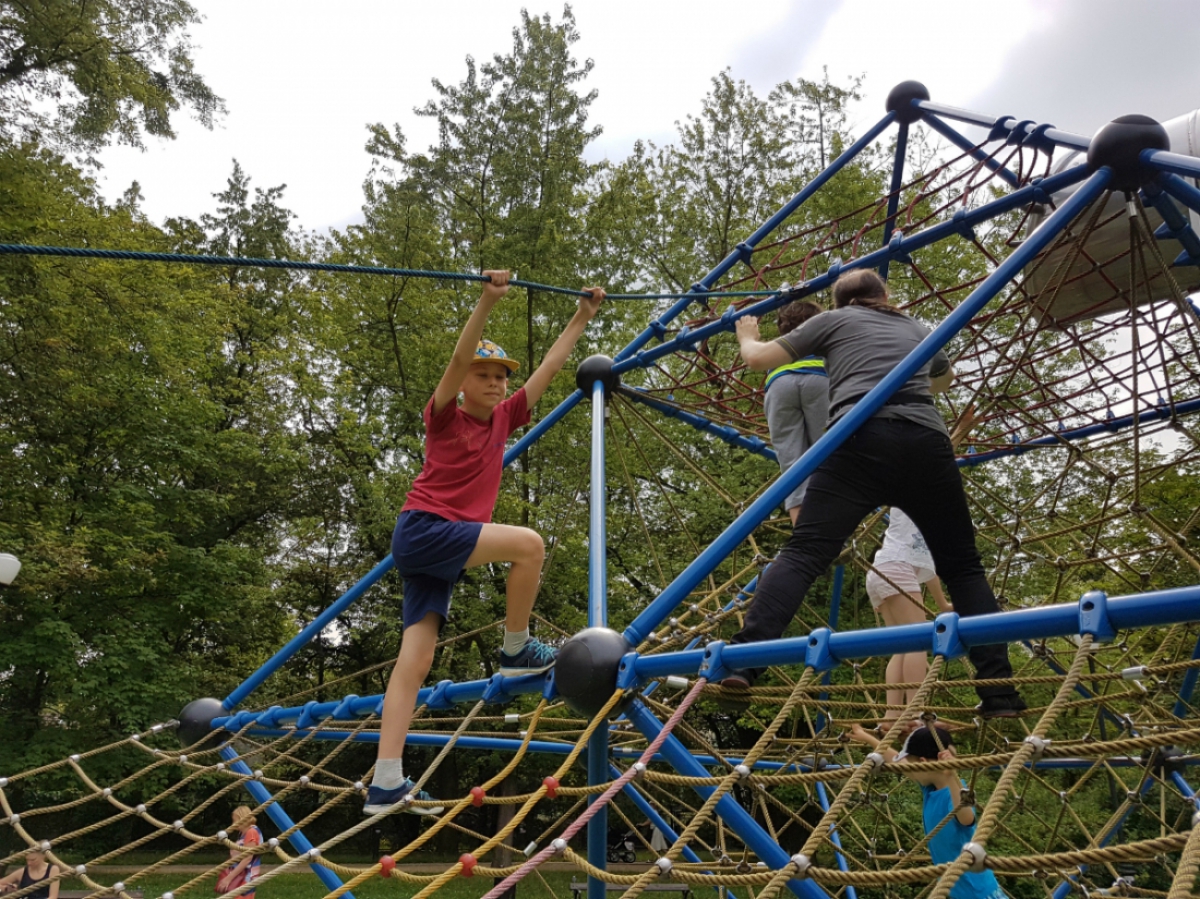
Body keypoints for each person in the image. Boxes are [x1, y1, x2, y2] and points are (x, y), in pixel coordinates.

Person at [727, 269, 1025, 719]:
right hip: (925, 440)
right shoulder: (917, 328)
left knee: (804, 553)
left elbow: (759, 359)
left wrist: (746, 335)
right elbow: (943, 380)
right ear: (885, 295)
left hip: (858, 439)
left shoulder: (832, 321)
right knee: (963, 567)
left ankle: (744, 661)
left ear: (839, 302)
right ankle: (999, 690)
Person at [364, 270, 605, 816]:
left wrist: (581, 317)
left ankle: (386, 782)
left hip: (434, 551)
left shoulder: (504, 418)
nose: (496, 383)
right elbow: (456, 361)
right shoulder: (443, 417)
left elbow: (549, 368)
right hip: (424, 529)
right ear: (465, 382)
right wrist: (487, 301)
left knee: (415, 662)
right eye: (485, 375)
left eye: (501, 376)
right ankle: (516, 648)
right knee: (529, 545)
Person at [848, 723, 1009, 899]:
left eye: (912, 765)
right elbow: (897, 760)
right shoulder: (930, 788)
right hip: (958, 892)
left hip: (979, 893)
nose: (909, 771)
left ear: (923, 764)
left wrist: (951, 774)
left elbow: (966, 818)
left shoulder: (956, 793)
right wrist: (867, 738)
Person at [867, 508, 953, 727]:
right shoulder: (930, 513)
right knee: (918, 641)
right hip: (897, 567)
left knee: (902, 646)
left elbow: (929, 569)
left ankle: (891, 715)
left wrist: (943, 604)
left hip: (878, 569)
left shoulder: (918, 515)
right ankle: (916, 712)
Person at [761, 299, 829, 526]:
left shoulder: (779, 344)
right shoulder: (822, 341)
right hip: (819, 379)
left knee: (791, 464)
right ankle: (832, 527)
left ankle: (803, 533)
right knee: (831, 455)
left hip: (778, 385)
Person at [216, 806, 263, 897]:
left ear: (242, 819)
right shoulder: (243, 832)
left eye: (235, 820)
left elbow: (247, 859)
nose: (233, 824)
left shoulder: (251, 832)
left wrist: (228, 878)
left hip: (246, 877)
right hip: (240, 874)